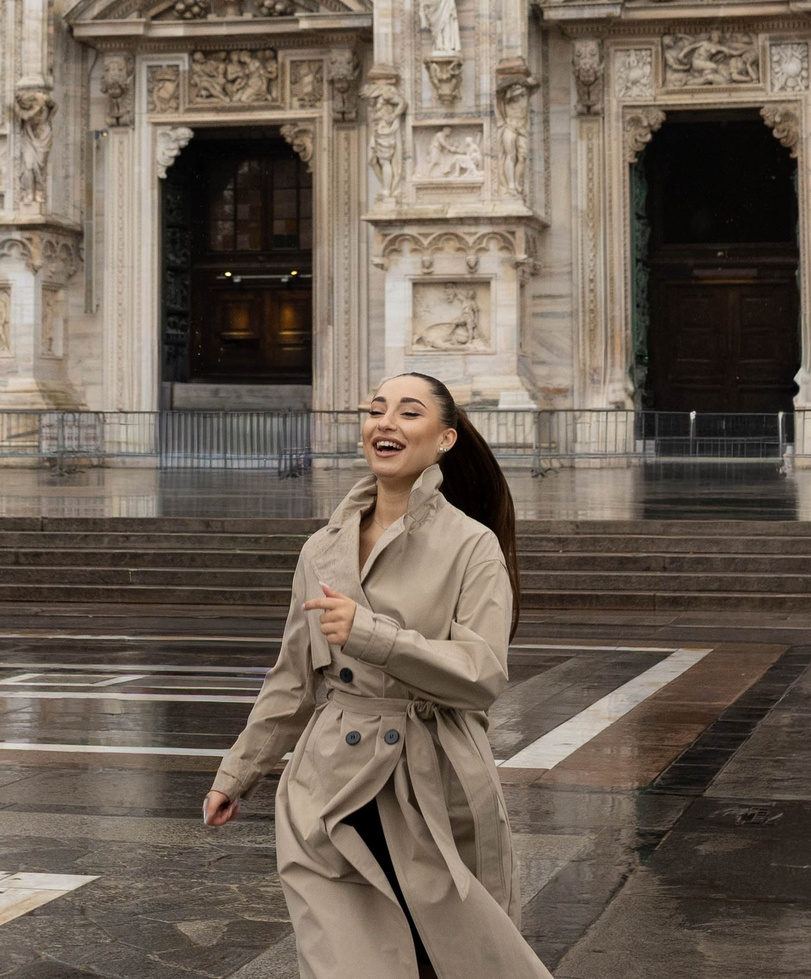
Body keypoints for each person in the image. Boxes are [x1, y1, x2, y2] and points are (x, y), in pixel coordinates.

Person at [201, 373, 551, 979]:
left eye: (407, 413)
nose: (384, 423)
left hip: (430, 783)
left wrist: (370, 633)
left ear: (444, 439)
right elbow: (292, 678)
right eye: (375, 410)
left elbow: (483, 673)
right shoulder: (321, 549)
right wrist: (240, 771)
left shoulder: (473, 546)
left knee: (454, 962)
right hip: (328, 786)